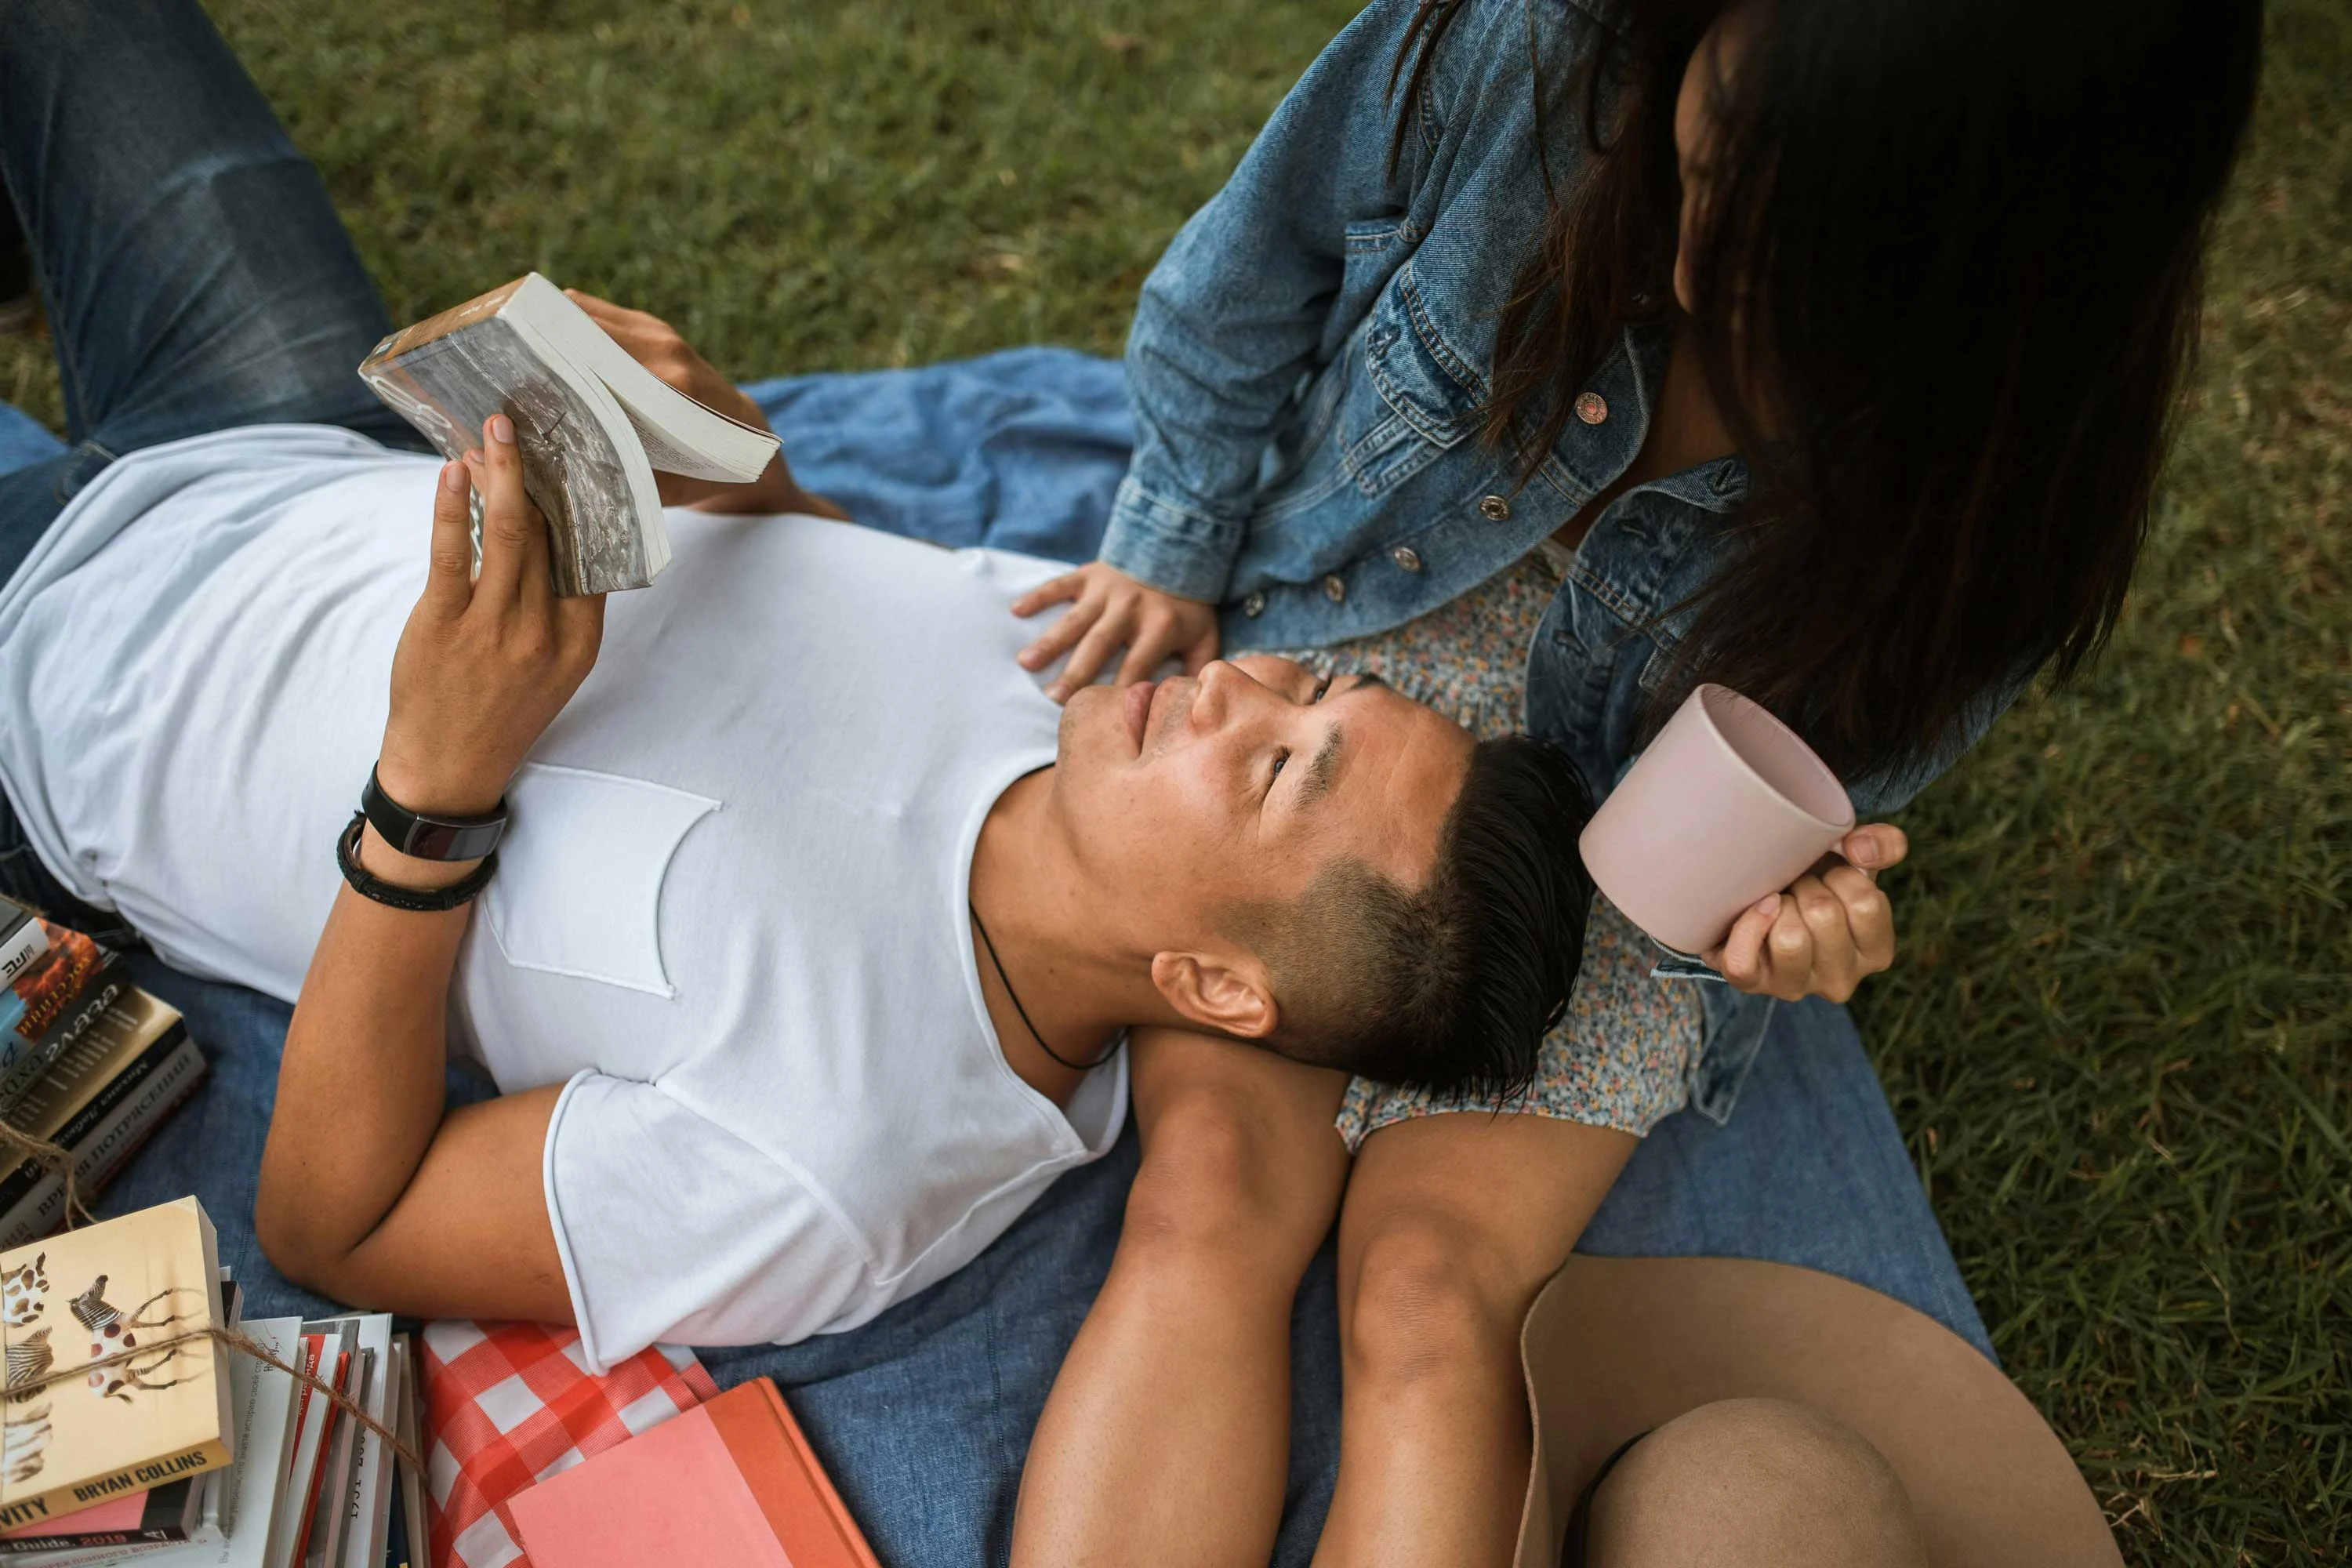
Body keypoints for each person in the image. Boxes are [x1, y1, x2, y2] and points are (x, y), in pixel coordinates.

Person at [1002, 0, 2261, 1563]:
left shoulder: (2002, 478)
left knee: (1430, 1292)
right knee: (1207, 1200)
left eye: (1794, 264)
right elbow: (1251, 264)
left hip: (1632, 854)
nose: (1680, 266)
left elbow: (1832, 778)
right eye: (1712, 158)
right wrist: (1176, 537)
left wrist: (1790, 911)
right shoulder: (1533, 51)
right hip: (1353, 678)